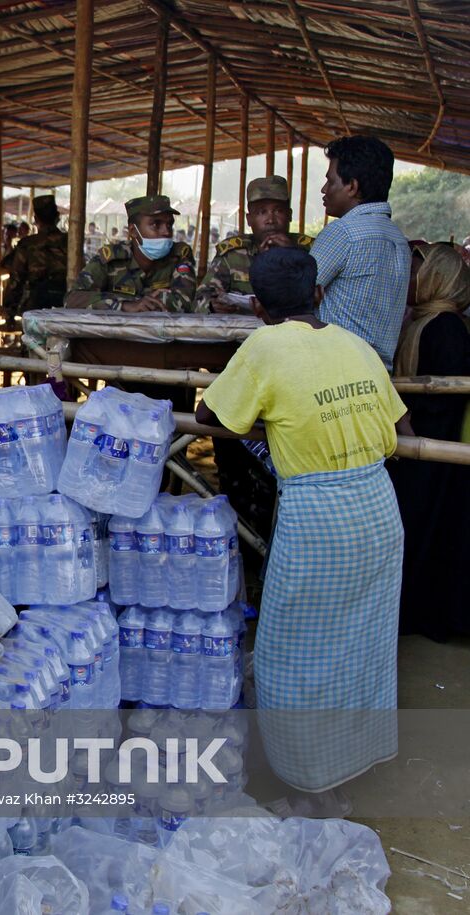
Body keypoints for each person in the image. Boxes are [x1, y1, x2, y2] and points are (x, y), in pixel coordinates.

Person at [196, 246, 410, 796]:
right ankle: (359, 756)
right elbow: (400, 428)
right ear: (318, 295)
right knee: (361, 643)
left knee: (290, 650)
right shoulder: (352, 342)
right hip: (379, 509)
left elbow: (209, 414)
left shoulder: (264, 345)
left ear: (257, 306)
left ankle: (304, 776)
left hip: (320, 515)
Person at [389, 242, 470, 641]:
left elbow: (446, 401)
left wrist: (408, 426)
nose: (411, 279)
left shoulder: (447, 327)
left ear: (439, 278)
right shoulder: (423, 320)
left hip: (433, 448)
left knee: (426, 530)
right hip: (419, 444)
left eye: (419, 271)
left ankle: (422, 615)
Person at [313, 134, 411, 369]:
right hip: (378, 375)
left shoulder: (343, 233)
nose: (324, 189)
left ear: (352, 186)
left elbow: (293, 299)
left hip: (335, 371)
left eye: (331, 181)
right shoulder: (398, 239)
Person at [195, 176, 315, 314]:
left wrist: (292, 256)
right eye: (261, 212)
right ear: (249, 219)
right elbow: (200, 298)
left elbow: (321, 298)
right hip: (242, 333)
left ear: (289, 215)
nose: (270, 220)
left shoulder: (308, 251)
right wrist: (211, 306)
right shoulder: (233, 255)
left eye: (278, 211)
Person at [65, 194, 197, 312]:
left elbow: (186, 301)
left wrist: (138, 302)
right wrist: (125, 304)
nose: (167, 232)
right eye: (156, 225)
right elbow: (73, 298)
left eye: (169, 225)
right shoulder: (112, 258)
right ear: (133, 231)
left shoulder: (179, 256)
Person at [2, 194, 68, 315]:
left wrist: (9, 309)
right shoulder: (71, 243)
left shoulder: (27, 244)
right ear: (57, 217)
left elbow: (16, 279)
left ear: (36, 219)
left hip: (35, 306)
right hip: (65, 305)